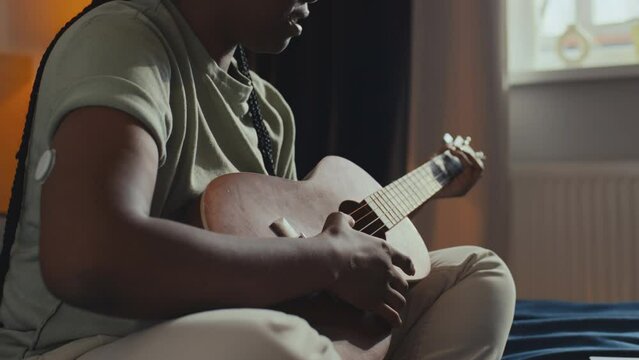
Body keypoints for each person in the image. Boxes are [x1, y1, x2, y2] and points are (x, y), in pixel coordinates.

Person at [0, 0, 516, 359]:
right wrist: (330, 260)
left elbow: (287, 272)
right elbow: (89, 259)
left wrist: (332, 271)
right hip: (86, 345)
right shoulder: (127, 41)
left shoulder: (270, 114)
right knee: (281, 346)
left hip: (227, 331)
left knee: (480, 276)